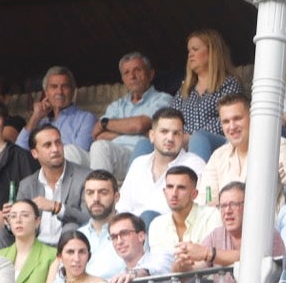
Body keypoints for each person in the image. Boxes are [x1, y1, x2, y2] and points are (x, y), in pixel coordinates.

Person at [200, 92, 286, 208]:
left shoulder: (277, 146)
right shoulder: (217, 156)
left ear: (252, 117)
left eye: (237, 118)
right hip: (224, 224)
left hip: (267, 224)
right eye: (226, 122)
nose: (232, 127)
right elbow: (207, 202)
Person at [88, 52, 173, 180]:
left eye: (137, 70)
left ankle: (101, 195)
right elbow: (99, 136)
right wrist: (134, 131)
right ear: (123, 79)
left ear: (151, 74)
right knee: (70, 152)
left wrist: (104, 124)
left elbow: (140, 124)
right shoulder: (116, 105)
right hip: (110, 155)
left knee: (100, 148)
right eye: (126, 72)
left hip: (139, 154)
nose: (132, 76)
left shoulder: (163, 99)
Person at [119, 107, 208, 223]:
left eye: (176, 133)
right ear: (152, 135)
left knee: (148, 216)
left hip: (172, 232)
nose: (170, 138)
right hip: (133, 232)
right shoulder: (138, 164)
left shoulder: (194, 165)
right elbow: (122, 207)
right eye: (164, 132)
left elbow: (199, 210)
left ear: (183, 137)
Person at [171, 29, 244, 159]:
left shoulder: (229, 84)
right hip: (182, 144)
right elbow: (172, 117)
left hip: (218, 143)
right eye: (189, 51)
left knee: (199, 138)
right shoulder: (185, 89)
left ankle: (197, 179)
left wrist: (191, 137)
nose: (190, 55)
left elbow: (230, 118)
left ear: (212, 52)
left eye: (195, 49)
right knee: (148, 143)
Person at [12, 123, 86, 247]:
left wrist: (56, 207)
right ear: (35, 153)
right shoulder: (27, 184)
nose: (55, 149)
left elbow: (90, 217)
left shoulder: (84, 177)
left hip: (67, 248)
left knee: (71, 227)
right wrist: (10, 219)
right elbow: (21, 223)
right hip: (35, 247)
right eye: (48, 145)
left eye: (58, 143)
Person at [16, 65, 97, 168]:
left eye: (65, 86)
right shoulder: (42, 122)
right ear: (46, 93)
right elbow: (19, 149)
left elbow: (77, 154)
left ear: (73, 91)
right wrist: (36, 116)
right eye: (54, 86)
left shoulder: (86, 118)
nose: (59, 92)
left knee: (69, 151)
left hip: (71, 173)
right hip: (41, 172)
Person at [147, 166, 218, 255]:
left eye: (181, 188)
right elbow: (160, 265)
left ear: (194, 194)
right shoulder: (157, 225)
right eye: (170, 187)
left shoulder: (211, 216)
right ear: (164, 192)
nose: (174, 194)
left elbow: (214, 259)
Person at [0, 199, 58, 283]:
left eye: (25, 215)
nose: (18, 220)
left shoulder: (52, 255)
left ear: (37, 221)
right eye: (13, 216)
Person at [75, 169, 125, 278]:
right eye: (90, 193)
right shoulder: (77, 236)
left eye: (103, 192)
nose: (96, 199)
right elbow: (61, 280)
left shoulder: (131, 231)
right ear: (84, 197)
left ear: (116, 197)